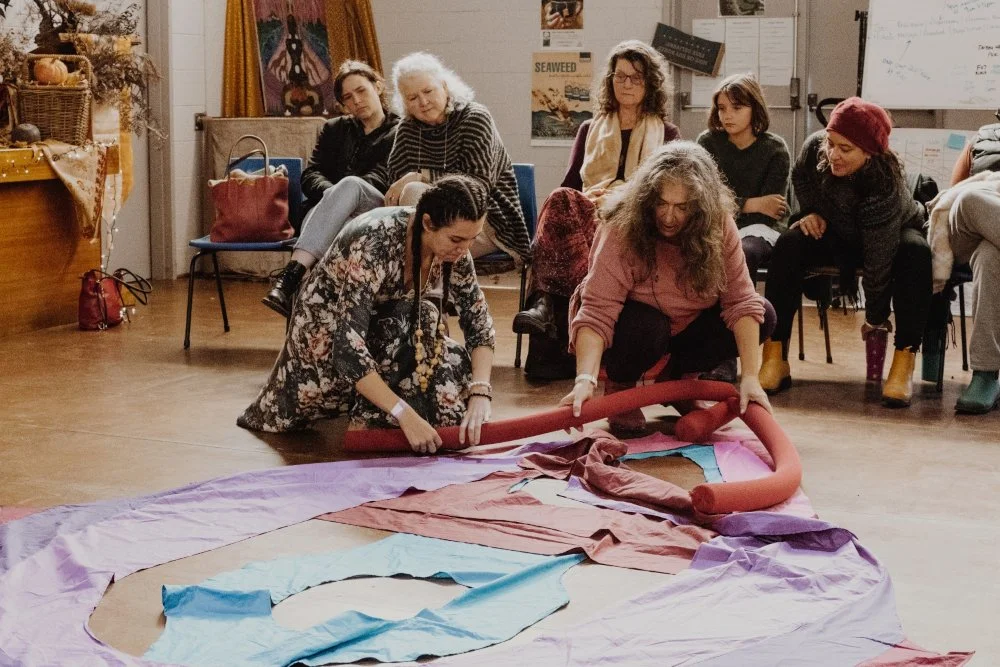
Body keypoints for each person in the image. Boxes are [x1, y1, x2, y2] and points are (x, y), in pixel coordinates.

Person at [239, 176, 496, 454]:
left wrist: (480, 390)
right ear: (427, 223)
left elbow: (478, 321)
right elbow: (347, 348)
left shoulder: (455, 251)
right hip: (326, 340)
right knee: (415, 323)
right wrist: (404, 414)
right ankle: (374, 417)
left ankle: (387, 412)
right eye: (457, 239)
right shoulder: (374, 239)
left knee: (433, 333)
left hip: (380, 329)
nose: (464, 250)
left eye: (472, 239)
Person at [560, 141, 775, 434]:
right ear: (647, 198)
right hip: (635, 330)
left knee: (764, 314)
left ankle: (680, 381)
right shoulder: (623, 224)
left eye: (682, 207)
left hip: (686, 328)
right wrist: (584, 379)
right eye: (661, 203)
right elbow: (598, 310)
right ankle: (621, 386)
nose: (669, 216)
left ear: (700, 207)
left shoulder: (718, 224)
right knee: (649, 326)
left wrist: (750, 377)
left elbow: (740, 301)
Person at [513, 40, 680, 379]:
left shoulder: (667, 133)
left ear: (650, 83)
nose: (627, 84)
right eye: (620, 76)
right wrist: (592, 196)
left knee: (566, 231)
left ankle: (547, 309)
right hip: (589, 215)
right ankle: (551, 314)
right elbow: (570, 186)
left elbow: (668, 193)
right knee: (561, 198)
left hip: (634, 221)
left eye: (636, 77)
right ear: (610, 80)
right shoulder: (589, 129)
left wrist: (622, 195)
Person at [759, 97, 932, 407]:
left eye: (845, 149)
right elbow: (800, 177)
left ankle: (903, 363)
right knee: (789, 243)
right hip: (837, 226)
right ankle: (775, 356)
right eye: (831, 144)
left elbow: (878, 262)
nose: (833, 154)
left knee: (916, 252)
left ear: (869, 152)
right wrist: (810, 211)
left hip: (891, 231)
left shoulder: (884, 185)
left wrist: (875, 319)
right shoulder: (816, 148)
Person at [263, 60, 399, 318]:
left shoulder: (399, 131)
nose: (356, 100)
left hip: (374, 209)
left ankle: (289, 280)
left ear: (378, 86)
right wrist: (334, 197)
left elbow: (382, 178)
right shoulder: (334, 129)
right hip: (331, 214)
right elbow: (311, 173)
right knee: (332, 210)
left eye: (361, 91)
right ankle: (315, 308)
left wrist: (339, 195)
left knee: (350, 186)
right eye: (348, 97)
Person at [379, 52, 531, 265]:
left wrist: (420, 176)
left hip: (483, 222)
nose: (423, 102)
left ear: (444, 86)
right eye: (412, 98)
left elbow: (477, 185)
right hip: (429, 225)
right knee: (382, 198)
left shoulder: (474, 118)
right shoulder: (407, 128)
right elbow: (396, 186)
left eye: (428, 91)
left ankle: (415, 268)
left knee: (413, 191)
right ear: (403, 102)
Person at [931, 121, 1000, 413]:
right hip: (968, 228)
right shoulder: (982, 137)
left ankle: (985, 374)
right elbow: (955, 191)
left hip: (992, 243)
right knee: (970, 199)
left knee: (990, 256)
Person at [696, 72, 790, 278]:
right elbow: (705, 201)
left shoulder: (775, 149)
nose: (727, 115)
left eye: (737, 108)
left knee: (744, 252)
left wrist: (735, 205)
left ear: (754, 108)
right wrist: (752, 204)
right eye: (722, 108)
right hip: (716, 225)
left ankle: (743, 300)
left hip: (760, 229)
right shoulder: (708, 142)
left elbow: (770, 211)